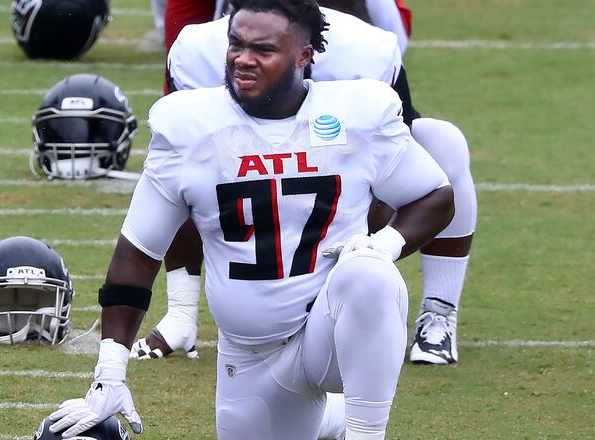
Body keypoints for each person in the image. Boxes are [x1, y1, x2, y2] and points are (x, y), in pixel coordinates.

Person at [48, 0, 454, 438]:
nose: (243, 59)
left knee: (370, 276)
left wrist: (384, 245)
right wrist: (111, 370)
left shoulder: (355, 111)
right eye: (236, 45)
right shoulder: (190, 124)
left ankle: (364, 432)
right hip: (251, 357)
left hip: (333, 335)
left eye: (263, 49)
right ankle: (331, 422)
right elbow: (138, 252)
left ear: (304, 55)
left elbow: (435, 195)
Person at [134, 3, 477, 367]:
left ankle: (438, 311)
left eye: (265, 48)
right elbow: (178, 158)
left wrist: (374, 248)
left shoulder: (363, 49)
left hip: (339, 181)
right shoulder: (196, 48)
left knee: (442, 141)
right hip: (239, 182)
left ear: (306, 52)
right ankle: (181, 315)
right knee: (183, 167)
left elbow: (395, 158)